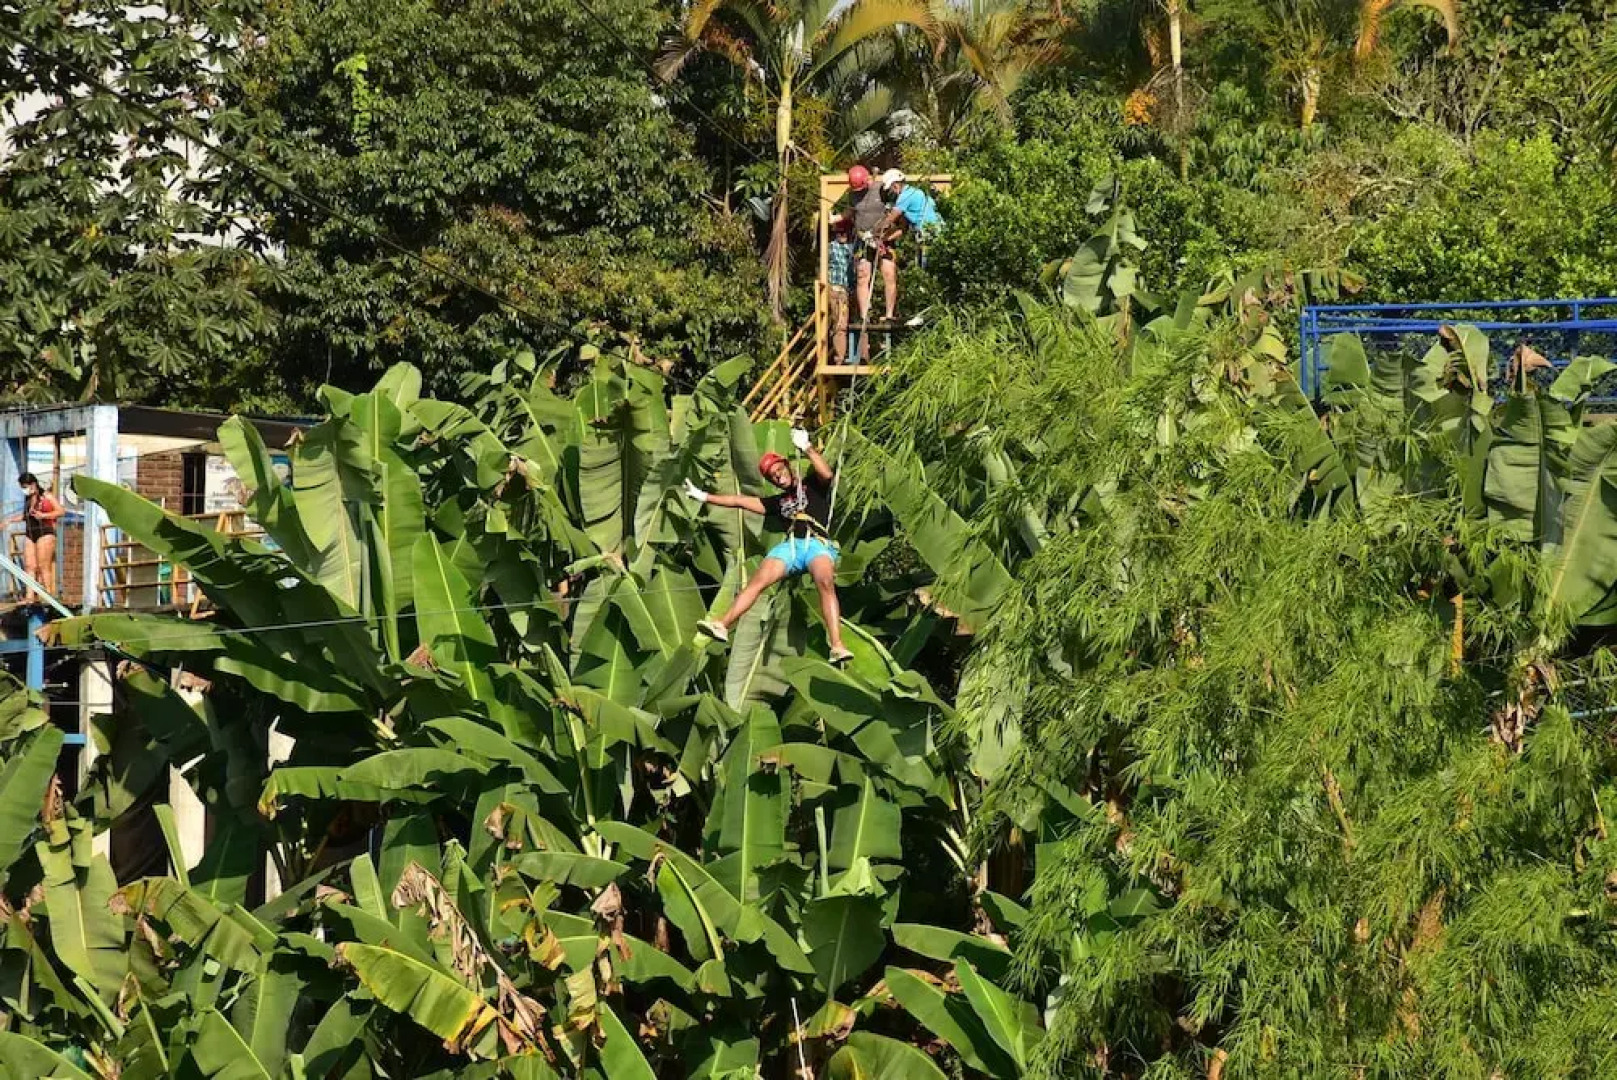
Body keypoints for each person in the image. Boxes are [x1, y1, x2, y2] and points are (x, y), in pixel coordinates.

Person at [683, 427, 853, 666]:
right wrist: (704, 497)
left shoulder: (813, 485)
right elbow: (738, 501)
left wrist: (807, 448)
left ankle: (836, 645)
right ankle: (722, 624)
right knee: (757, 581)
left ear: (787, 466)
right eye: (772, 477)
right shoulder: (776, 502)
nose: (777, 477)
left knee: (824, 581)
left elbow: (827, 474)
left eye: (779, 471)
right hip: (791, 549)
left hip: (816, 544)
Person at [875, 169, 943, 324]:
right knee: (925, 274)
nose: (891, 193)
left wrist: (874, 232)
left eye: (891, 189)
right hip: (929, 237)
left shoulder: (906, 196)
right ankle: (927, 311)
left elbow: (890, 220)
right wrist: (884, 239)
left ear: (895, 185)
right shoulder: (917, 194)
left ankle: (926, 314)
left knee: (925, 276)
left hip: (930, 237)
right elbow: (902, 229)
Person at [835, 164, 888, 361]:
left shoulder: (880, 187)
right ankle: (866, 312)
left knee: (887, 273)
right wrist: (831, 218)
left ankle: (888, 311)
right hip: (862, 239)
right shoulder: (852, 195)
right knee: (862, 275)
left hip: (882, 238)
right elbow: (848, 214)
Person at [5, 473, 63, 604]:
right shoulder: (27, 499)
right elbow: (25, 516)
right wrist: (9, 520)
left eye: (25, 486)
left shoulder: (46, 496)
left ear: (33, 484)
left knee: (43, 565)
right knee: (29, 565)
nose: (24, 490)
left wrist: (44, 515)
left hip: (45, 531)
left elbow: (60, 511)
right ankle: (29, 596)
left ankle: (48, 595)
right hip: (31, 532)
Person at [827, 216, 855, 363]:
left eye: (845, 231)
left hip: (850, 290)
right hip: (836, 289)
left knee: (851, 323)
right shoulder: (831, 247)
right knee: (839, 324)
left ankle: (857, 355)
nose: (842, 234)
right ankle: (839, 358)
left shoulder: (852, 248)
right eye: (840, 231)